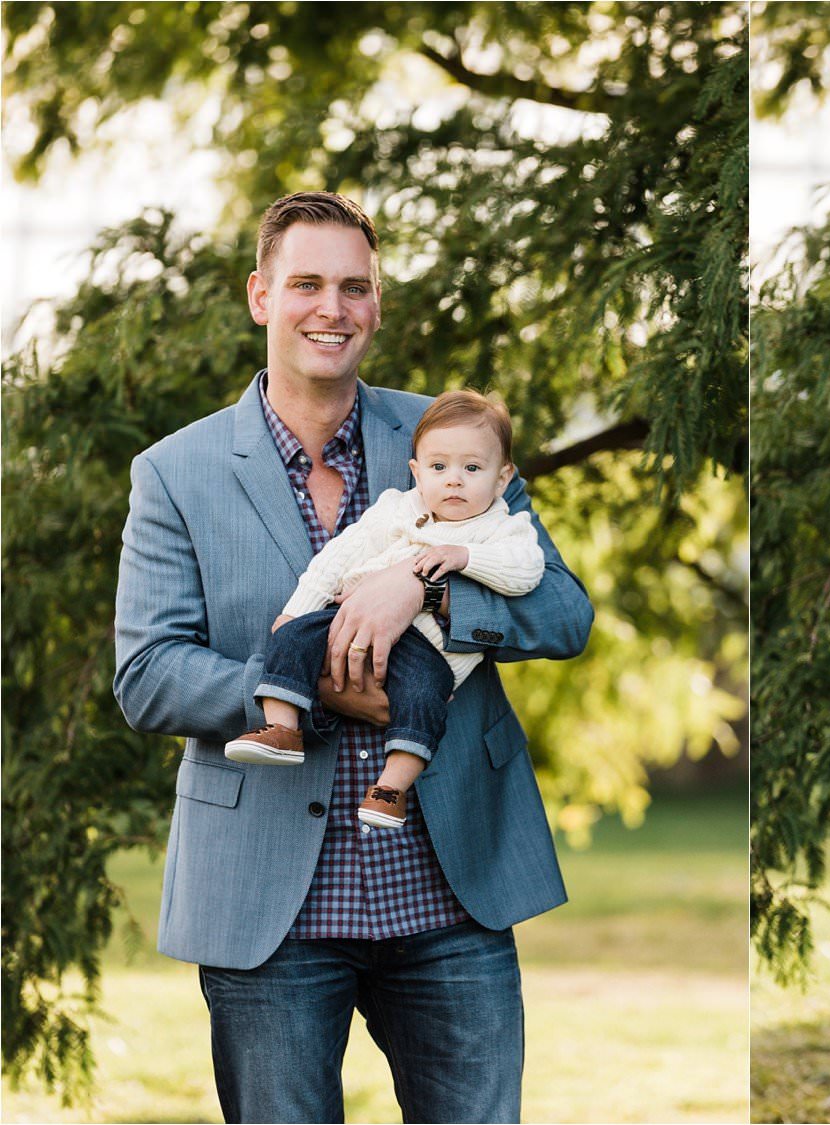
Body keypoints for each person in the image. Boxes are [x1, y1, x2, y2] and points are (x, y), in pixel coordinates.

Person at [114, 191, 593, 1123]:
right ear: (261, 296)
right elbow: (149, 673)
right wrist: (324, 695)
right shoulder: (176, 472)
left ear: (376, 303)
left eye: (354, 287)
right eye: (306, 284)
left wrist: (432, 587)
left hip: (450, 892)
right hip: (270, 908)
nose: (330, 308)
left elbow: (564, 613)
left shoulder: (454, 442)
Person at [225, 388, 546, 830]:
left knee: (424, 696)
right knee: (294, 636)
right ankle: (282, 728)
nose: (454, 479)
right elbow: (337, 557)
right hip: (348, 618)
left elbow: (526, 571)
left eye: (472, 468)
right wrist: (297, 611)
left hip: (426, 646)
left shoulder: (503, 527)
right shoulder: (397, 508)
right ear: (417, 471)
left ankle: (390, 788)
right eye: (439, 467)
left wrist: (463, 558)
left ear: (502, 476)